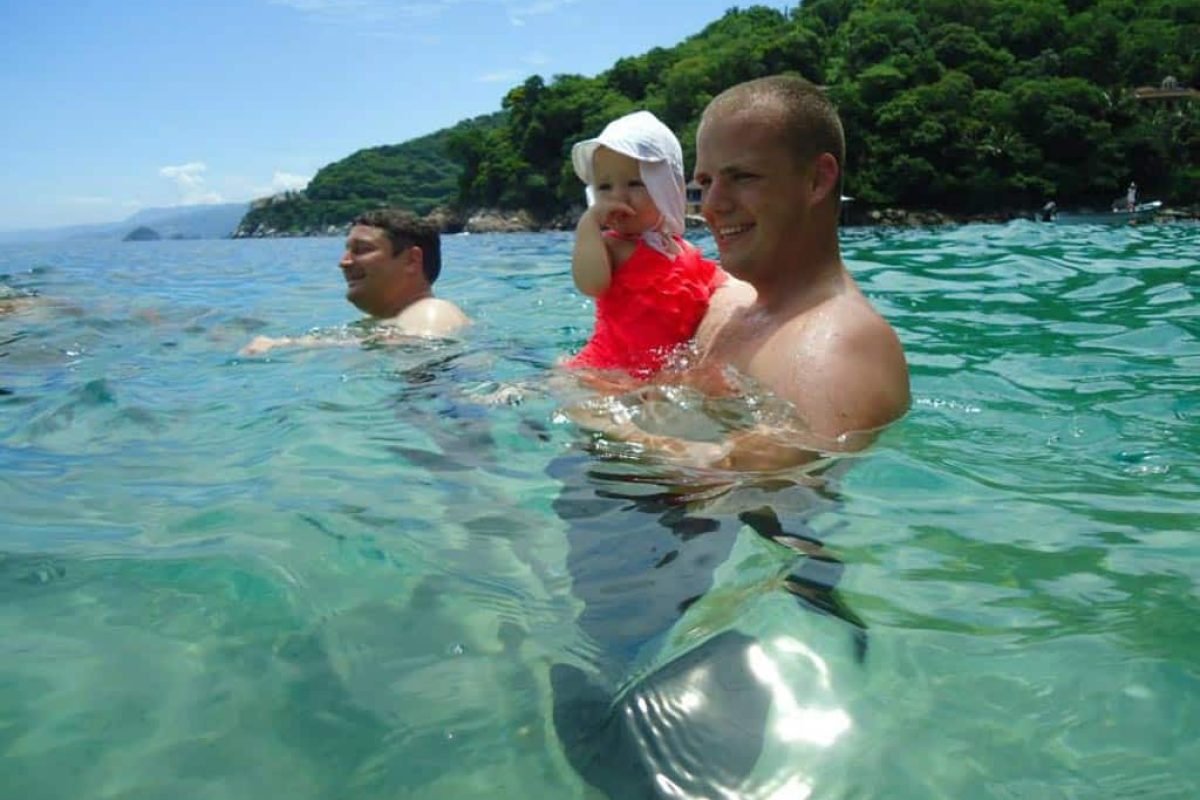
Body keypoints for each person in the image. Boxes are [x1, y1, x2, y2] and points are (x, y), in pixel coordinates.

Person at [576, 75, 910, 469]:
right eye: (705, 182)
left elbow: (758, 487)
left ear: (817, 180)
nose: (712, 205)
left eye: (742, 177)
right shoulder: (727, 296)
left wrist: (593, 412)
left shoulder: (836, 350)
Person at [564, 110, 725, 379]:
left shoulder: (685, 252)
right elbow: (590, 284)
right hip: (606, 372)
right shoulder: (611, 248)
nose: (618, 196)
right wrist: (589, 223)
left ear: (668, 187)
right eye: (604, 187)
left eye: (635, 183)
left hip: (660, 376)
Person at [240, 208, 468, 355]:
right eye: (347, 250)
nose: (344, 262)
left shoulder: (431, 312)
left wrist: (292, 347)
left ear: (411, 260)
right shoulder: (390, 322)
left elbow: (424, 357)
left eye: (362, 250)